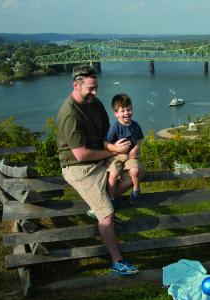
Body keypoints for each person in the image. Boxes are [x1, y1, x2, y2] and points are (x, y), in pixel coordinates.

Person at [56, 64, 138, 276]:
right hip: (79, 167)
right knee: (108, 215)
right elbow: (81, 155)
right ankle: (117, 261)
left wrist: (118, 150)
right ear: (76, 85)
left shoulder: (95, 103)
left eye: (96, 87)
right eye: (90, 88)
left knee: (138, 172)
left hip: (101, 155)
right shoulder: (69, 115)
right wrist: (113, 153)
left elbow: (105, 137)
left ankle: (101, 203)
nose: (95, 92)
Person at [106, 93, 145, 203]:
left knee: (135, 171)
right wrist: (116, 148)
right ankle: (111, 197)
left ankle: (136, 190)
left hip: (131, 156)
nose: (127, 113)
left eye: (129, 109)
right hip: (117, 156)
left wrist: (136, 147)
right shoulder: (115, 127)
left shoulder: (135, 125)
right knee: (113, 175)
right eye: (123, 111)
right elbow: (106, 143)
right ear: (116, 113)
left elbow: (139, 139)